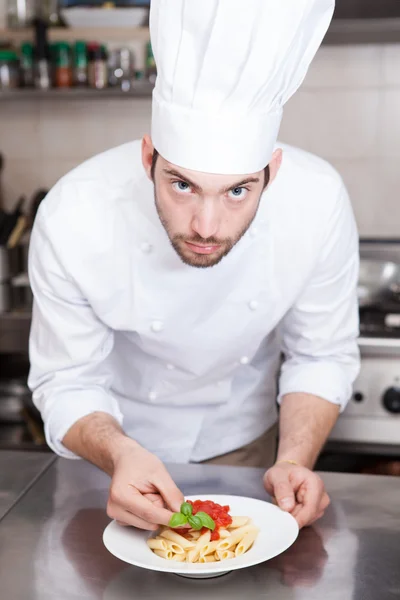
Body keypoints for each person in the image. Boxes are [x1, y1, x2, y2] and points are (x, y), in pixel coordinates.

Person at [28, 0, 359, 531]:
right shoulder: (74, 214)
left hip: (245, 449)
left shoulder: (317, 203)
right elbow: (67, 380)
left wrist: (293, 461)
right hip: (107, 453)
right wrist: (118, 455)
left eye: (237, 191)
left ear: (271, 173)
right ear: (147, 157)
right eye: (182, 184)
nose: (206, 225)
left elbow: (321, 354)